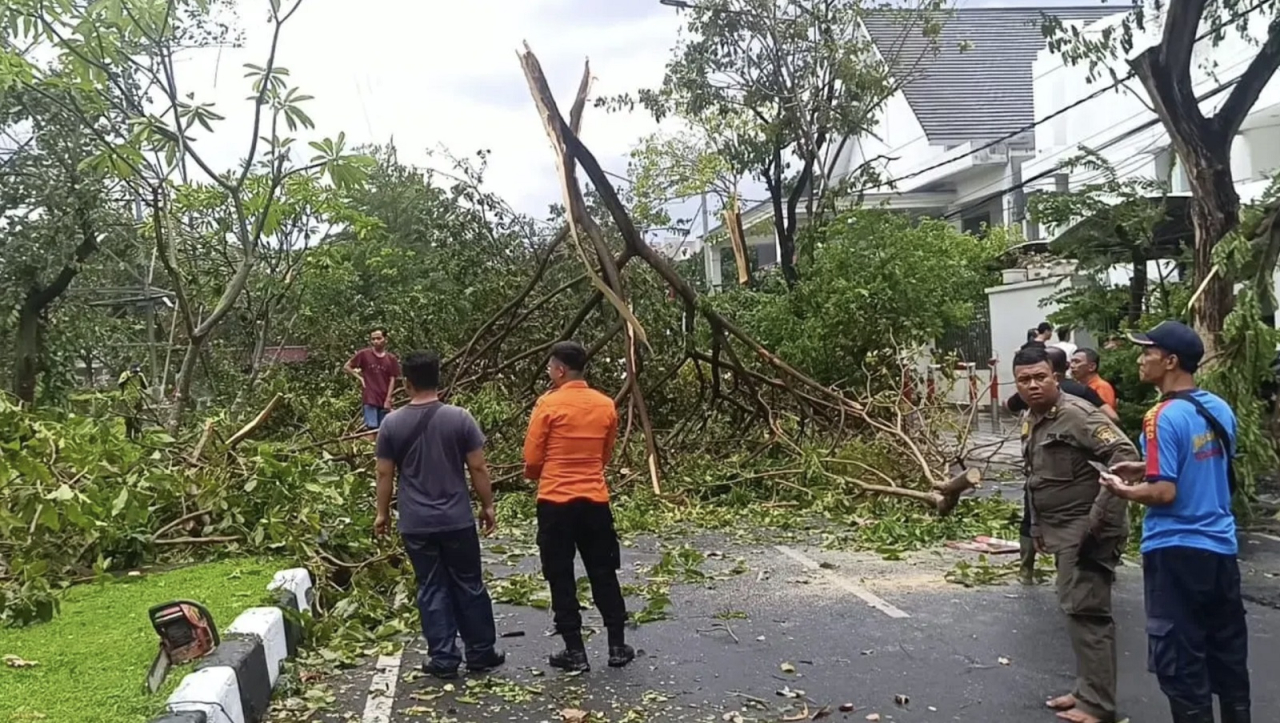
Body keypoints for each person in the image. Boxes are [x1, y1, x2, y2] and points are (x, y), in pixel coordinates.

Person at [1100, 320, 1250, 723]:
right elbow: (1207, 468)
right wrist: (1145, 466)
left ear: (1169, 361)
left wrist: (1123, 490)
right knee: (1228, 657)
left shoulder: (1160, 416)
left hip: (1176, 550)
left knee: (1180, 662)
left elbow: (1165, 493)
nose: (1139, 358)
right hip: (1220, 548)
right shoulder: (1218, 408)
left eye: (1146, 352)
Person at [1013, 344, 1138, 723]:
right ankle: (1087, 691)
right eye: (1024, 380)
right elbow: (1035, 478)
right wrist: (1036, 527)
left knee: (1088, 614)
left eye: (1040, 377)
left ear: (1056, 377)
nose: (1032, 385)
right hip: (1059, 529)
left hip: (1088, 530)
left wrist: (1099, 518)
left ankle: (1099, 705)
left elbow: (1126, 459)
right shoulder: (1034, 418)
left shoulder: (1077, 415)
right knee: (1075, 612)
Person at [374, 350, 504, 679]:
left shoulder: (391, 423)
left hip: (416, 522)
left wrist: (382, 513)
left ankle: (444, 659)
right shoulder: (460, 418)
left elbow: (384, 474)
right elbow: (477, 466)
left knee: (431, 587)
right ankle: (480, 653)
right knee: (469, 583)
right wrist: (487, 505)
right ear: (438, 379)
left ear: (406, 382)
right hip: (457, 519)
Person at [523, 341, 635, 672]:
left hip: (556, 502)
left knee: (560, 575)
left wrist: (542, 474)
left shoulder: (547, 405)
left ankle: (575, 651)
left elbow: (531, 460)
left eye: (549, 368)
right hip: (594, 501)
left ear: (559, 370)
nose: (548, 373)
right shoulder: (605, 405)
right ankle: (616, 645)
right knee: (603, 572)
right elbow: (605, 454)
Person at [344, 329, 400, 430]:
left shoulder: (391, 359)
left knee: (383, 428)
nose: (375, 341)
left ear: (385, 339)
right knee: (371, 427)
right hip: (370, 397)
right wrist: (360, 378)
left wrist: (388, 398)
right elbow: (347, 366)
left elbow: (392, 379)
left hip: (383, 397)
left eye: (378, 338)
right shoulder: (364, 354)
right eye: (373, 339)